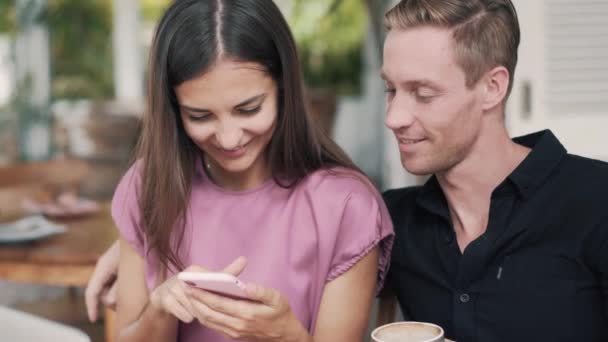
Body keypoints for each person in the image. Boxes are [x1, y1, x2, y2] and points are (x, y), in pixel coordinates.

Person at [89, 0, 394, 341]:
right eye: (200, 116)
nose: (229, 138)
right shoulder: (149, 186)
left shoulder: (345, 206)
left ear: (283, 86)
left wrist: (285, 335)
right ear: (173, 109)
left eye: (248, 109)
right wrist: (160, 309)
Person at [381, 0, 608, 341]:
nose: (394, 117)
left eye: (423, 94)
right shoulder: (391, 220)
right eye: (391, 89)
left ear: (492, 87)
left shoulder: (598, 200)